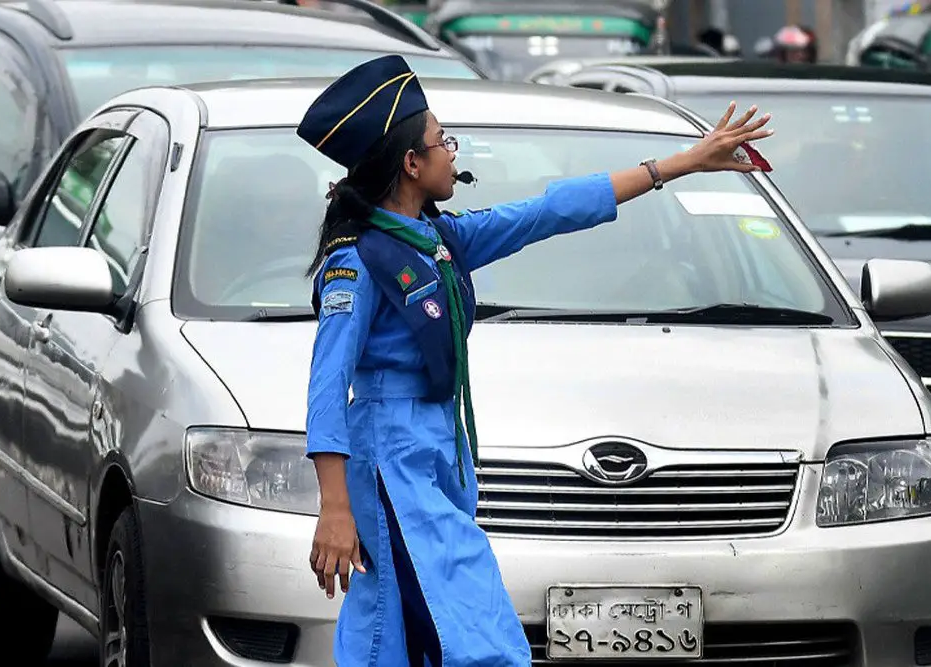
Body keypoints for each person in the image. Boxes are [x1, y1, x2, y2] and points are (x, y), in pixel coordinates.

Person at [297, 54, 773, 666]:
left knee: (401, 627)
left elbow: (548, 213)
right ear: (411, 164)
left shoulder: (440, 239)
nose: (453, 152)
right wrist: (335, 508)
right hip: (390, 461)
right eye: (443, 141)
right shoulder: (357, 263)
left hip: (434, 450)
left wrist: (680, 164)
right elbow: (327, 385)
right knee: (461, 633)